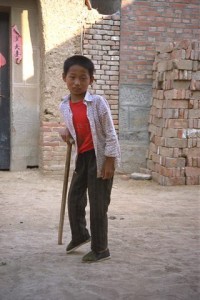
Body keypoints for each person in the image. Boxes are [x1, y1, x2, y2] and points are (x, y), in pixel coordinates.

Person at [59, 55, 120, 263]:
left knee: (97, 203)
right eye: (72, 77)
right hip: (82, 157)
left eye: (83, 78)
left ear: (91, 80)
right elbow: (75, 123)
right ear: (64, 78)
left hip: (100, 157)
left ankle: (101, 248)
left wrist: (110, 161)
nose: (77, 82)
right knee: (74, 198)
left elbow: (110, 133)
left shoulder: (98, 103)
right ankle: (80, 235)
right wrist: (67, 130)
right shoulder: (64, 105)